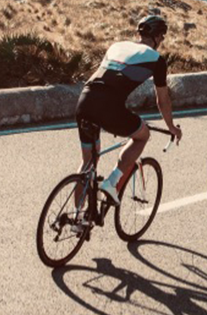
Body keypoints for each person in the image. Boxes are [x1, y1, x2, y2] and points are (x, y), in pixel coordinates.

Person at [76, 13, 182, 205]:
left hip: (85, 99)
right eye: (162, 37)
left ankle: (77, 219)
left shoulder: (117, 46)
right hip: (108, 106)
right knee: (142, 135)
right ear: (157, 37)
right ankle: (112, 181)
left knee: (88, 163)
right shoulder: (157, 59)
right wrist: (171, 126)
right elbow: (163, 100)